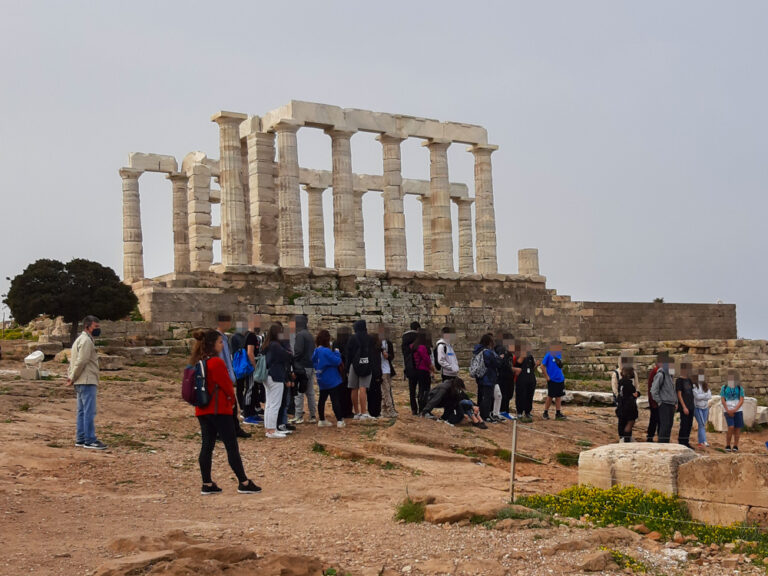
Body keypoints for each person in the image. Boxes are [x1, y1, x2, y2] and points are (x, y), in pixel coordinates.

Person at [189, 328, 260, 495]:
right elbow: (228, 386)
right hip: (219, 409)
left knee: (207, 446)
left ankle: (207, 483)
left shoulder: (197, 363)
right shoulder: (216, 363)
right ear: (213, 344)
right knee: (231, 446)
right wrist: (233, 403)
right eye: (220, 342)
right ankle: (243, 481)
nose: (222, 345)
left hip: (202, 409)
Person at [67, 315, 107, 450]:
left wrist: (72, 376)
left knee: (82, 411)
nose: (98, 329)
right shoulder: (86, 341)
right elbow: (81, 361)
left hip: (81, 380)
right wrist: (72, 377)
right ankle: (89, 440)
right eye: (96, 327)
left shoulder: (81, 339)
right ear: (87, 326)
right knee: (88, 411)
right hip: (87, 380)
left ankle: (81, 438)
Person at [217, 315, 250, 439]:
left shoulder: (225, 337)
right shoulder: (219, 338)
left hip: (228, 373)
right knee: (226, 405)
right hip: (223, 375)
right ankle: (223, 431)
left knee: (233, 404)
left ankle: (235, 429)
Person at [263, 324, 293, 438]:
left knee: (269, 404)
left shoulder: (268, 344)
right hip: (276, 376)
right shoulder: (276, 345)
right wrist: (286, 343)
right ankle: (271, 430)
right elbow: (288, 356)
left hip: (268, 375)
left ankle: (269, 428)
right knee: (275, 404)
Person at [420, 377, 487, 429]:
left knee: (458, 401)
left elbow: (464, 397)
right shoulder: (444, 388)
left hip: (441, 401)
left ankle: (476, 418)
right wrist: (425, 411)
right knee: (454, 401)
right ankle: (474, 419)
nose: (460, 390)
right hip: (429, 400)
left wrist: (474, 405)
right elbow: (435, 400)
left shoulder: (454, 388)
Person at [312, 329, 345, 428]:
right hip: (331, 379)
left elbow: (313, 362)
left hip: (321, 378)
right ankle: (339, 420)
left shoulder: (316, 351)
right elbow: (337, 361)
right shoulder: (326, 351)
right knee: (335, 400)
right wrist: (337, 353)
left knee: (322, 399)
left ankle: (321, 420)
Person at [346, 319, 374, 419]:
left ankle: (357, 412)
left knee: (354, 388)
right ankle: (364, 412)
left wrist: (347, 368)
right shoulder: (370, 338)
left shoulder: (352, 338)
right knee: (363, 388)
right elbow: (372, 353)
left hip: (354, 364)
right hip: (366, 364)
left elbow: (348, 354)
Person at [292, 314, 317, 424]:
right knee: (310, 392)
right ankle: (312, 415)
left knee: (299, 391)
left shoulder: (300, 335)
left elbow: (298, 351)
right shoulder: (309, 335)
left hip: (301, 366)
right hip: (310, 365)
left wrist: (292, 360)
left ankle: (298, 416)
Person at [473, 333, 502, 422]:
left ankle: (479, 414)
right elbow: (496, 363)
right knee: (487, 398)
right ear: (489, 342)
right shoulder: (488, 352)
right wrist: (499, 358)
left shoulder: (478, 350)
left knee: (481, 397)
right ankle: (485, 416)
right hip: (488, 378)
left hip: (480, 377)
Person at [611, 354, 640, 439]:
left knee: (628, 419)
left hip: (630, 400)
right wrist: (619, 397)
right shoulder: (616, 373)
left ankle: (626, 437)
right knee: (623, 420)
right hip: (623, 401)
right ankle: (623, 437)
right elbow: (614, 387)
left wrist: (637, 393)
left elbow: (637, 385)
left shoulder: (633, 372)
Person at [650, 355, 677, 443]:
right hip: (664, 404)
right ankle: (661, 445)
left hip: (671, 404)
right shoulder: (661, 374)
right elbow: (654, 390)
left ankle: (666, 444)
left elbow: (672, 390)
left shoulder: (670, 376)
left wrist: (675, 401)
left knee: (669, 426)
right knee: (664, 426)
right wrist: (659, 402)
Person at [541, 342, 567, 421]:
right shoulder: (548, 355)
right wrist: (547, 377)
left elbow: (559, 366)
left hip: (560, 379)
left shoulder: (559, 355)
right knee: (550, 396)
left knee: (559, 396)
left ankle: (558, 413)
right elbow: (542, 366)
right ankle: (545, 412)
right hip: (552, 379)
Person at [411, 330, 435, 415]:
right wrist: (432, 368)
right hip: (424, 370)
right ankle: (423, 408)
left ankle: (421, 408)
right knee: (425, 390)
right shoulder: (422, 347)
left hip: (417, 370)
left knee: (421, 389)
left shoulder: (413, 346)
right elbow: (426, 359)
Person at [720, 371, 745, 452]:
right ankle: (727, 445)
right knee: (731, 427)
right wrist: (728, 410)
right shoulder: (724, 387)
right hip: (727, 409)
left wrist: (735, 409)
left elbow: (741, 400)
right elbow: (723, 399)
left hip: (738, 410)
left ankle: (735, 445)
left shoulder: (739, 388)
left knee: (737, 429)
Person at [494, 333, 516, 419]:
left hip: (509, 376)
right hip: (503, 377)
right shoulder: (501, 350)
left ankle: (505, 411)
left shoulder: (509, 352)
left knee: (509, 394)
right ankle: (502, 411)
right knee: (504, 394)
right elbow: (502, 363)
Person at [402, 321, 421, 415]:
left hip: (409, 366)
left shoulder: (404, 339)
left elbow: (404, 355)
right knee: (422, 388)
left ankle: (414, 409)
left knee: (412, 390)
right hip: (420, 366)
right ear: (418, 329)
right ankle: (422, 408)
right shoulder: (421, 338)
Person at [615, 367, 639, 442]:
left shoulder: (620, 383)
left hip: (621, 406)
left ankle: (622, 437)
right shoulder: (629, 384)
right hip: (629, 407)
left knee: (622, 422)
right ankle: (626, 438)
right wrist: (637, 394)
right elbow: (633, 394)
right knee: (630, 422)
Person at [513, 342, 535, 422]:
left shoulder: (530, 357)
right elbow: (517, 365)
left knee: (529, 395)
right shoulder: (518, 356)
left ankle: (528, 411)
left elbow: (532, 367)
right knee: (521, 395)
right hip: (521, 378)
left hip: (530, 378)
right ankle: (519, 412)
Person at [379, 326, 398, 418]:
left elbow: (392, 356)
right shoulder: (377, 344)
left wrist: (388, 356)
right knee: (386, 391)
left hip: (387, 369)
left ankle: (384, 409)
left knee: (386, 390)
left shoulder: (388, 343)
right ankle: (390, 409)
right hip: (381, 370)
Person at [676, 361, 695, 448]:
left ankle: (686, 442)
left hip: (691, 405)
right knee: (684, 424)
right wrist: (683, 406)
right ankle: (682, 442)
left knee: (689, 425)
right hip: (685, 406)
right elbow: (679, 394)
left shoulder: (689, 380)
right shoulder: (679, 381)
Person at [692, 371, 712, 448]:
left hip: (705, 407)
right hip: (697, 407)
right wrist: (705, 396)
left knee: (702, 424)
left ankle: (702, 441)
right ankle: (702, 441)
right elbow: (697, 396)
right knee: (702, 424)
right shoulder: (694, 386)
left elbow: (709, 396)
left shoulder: (705, 385)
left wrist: (702, 396)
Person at [645, 358, 662, 442]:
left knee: (658, 419)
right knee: (654, 419)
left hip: (657, 400)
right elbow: (652, 388)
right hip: (655, 400)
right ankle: (650, 436)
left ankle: (657, 436)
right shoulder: (655, 372)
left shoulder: (658, 372)